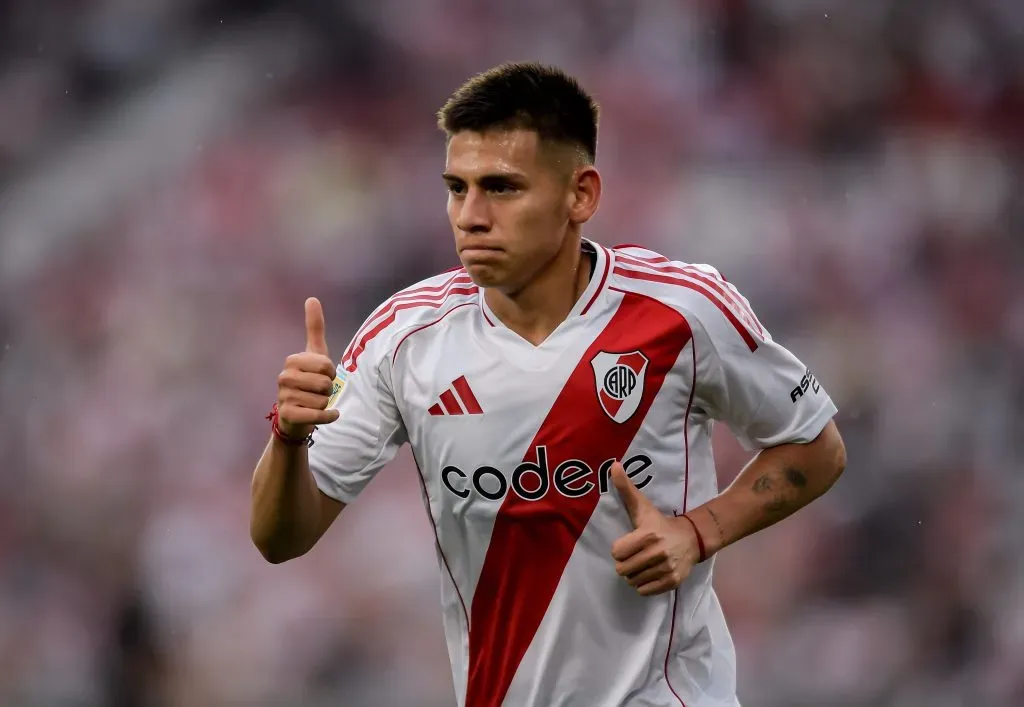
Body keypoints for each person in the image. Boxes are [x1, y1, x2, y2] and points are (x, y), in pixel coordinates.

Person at [250, 62, 847, 707]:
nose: (470, 216)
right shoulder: (404, 336)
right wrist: (287, 437)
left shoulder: (684, 311)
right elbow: (280, 539)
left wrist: (699, 532)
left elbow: (816, 447)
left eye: (501, 189)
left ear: (581, 195)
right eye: (457, 188)